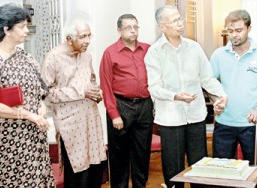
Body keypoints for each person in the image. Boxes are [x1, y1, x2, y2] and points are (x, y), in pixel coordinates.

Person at [144, 5, 228, 188]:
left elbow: (207, 78)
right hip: (170, 119)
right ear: (162, 26)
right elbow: (154, 88)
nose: (180, 23)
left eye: (180, 18)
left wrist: (221, 95)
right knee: (173, 171)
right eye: (174, 20)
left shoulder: (194, 47)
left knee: (199, 167)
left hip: (196, 116)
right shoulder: (154, 52)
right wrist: (175, 96)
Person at [0, 3, 55, 187]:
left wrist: (40, 107)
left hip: (34, 136)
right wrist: (28, 115)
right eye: (22, 27)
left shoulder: (25, 57)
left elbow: (40, 91)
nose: (27, 31)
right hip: (9, 141)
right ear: (7, 29)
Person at [210, 9, 257, 188]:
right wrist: (216, 99)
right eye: (230, 31)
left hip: (252, 125)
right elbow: (210, 83)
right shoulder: (218, 55)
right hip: (224, 124)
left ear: (249, 28)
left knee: (253, 174)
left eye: (239, 30)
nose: (234, 35)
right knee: (222, 174)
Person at [41, 20, 107, 188]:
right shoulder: (53, 57)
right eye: (82, 37)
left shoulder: (87, 56)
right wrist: (80, 92)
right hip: (70, 126)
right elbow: (46, 93)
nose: (87, 41)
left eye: (89, 36)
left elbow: (91, 81)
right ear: (69, 39)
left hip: (91, 122)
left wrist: (96, 93)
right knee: (78, 174)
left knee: (95, 170)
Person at [99, 14, 154, 188]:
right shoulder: (110, 52)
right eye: (128, 27)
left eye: (135, 27)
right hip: (121, 106)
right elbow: (106, 86)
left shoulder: (147, 49)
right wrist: (114, 114)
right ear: (119, 30)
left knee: (142, 153)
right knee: (119, 156)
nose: (133, 31)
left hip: (145, 105)